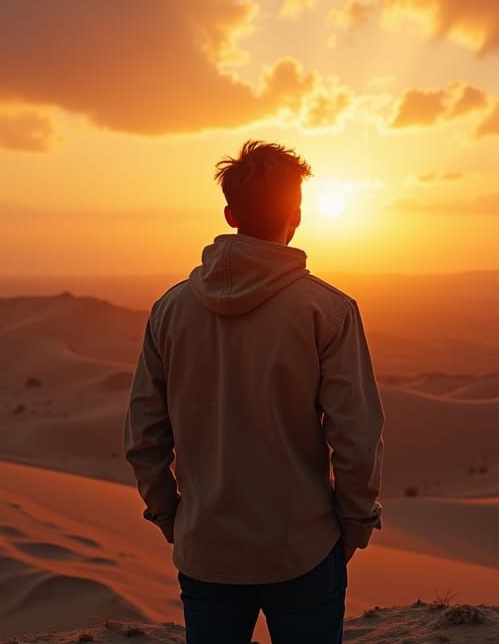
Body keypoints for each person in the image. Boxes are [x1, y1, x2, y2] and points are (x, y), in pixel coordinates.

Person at [124, 140, 384, 644]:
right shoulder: (326, 310)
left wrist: (170, 515)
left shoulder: (170, 310)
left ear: (229, 213)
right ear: (298, 214)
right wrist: (354, 524)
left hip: (206, 549)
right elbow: (357, 434)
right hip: (302, 546)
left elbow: (144, 435)